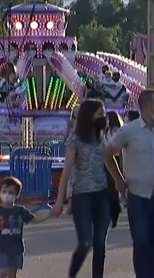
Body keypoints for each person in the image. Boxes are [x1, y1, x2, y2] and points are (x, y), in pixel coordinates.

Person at [105, 89, 154, 278]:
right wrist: (118, 180)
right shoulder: (128, 131)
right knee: (141, 240)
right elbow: (107, 154)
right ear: (146, 107)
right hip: (138, 195)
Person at [51, 99, 121, 278]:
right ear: (89, 116)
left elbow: (108, 159)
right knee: (85, 242)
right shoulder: (75, 140)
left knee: (100, 244)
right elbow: (66, 171)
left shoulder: (100, 137)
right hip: (82, 196)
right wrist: (60, 201)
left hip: (102, 195)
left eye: (103, 114)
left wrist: (120, 181)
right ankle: (71, 275)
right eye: (99, 114)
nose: (103, 118)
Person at [0, 177, 51, 278]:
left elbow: (35, 218)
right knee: (3, 272)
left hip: (16, 249)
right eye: (4, 191)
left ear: (17, 195)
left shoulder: (20, 210)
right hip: (1, 249)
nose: (7, 195)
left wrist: (49, 214)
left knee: (12, 273)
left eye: (11, 192)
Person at [65, 104, 80, 215]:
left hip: (81, 155)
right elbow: (66, 136)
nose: (76, 113)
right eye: (75, 111)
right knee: (71, 178)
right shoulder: (71, 123)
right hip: (72, 153)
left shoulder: (85, 123)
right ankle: (70, 204)